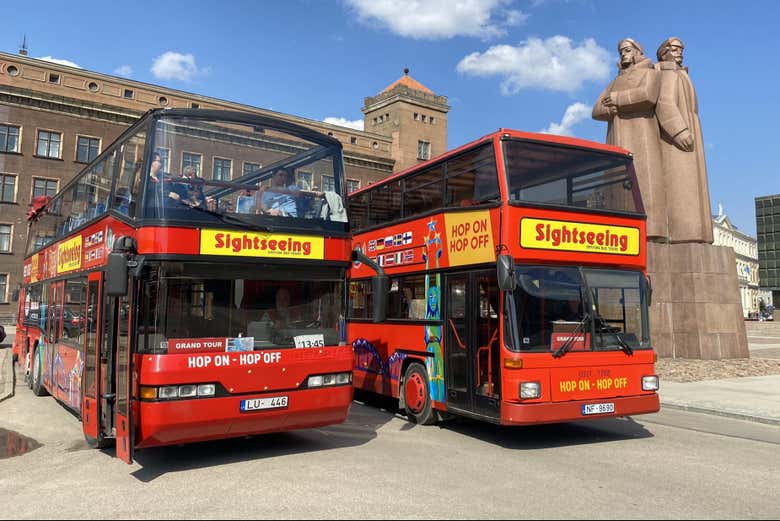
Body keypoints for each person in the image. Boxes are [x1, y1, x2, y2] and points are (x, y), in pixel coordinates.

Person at [592, 38, 667, 240]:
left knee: (646, 183)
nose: (623, 54)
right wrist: (610, 108)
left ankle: (652, 232)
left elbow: (648, 95)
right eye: (620, 51)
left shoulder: (649, 72)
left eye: (626, 50)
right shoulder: (614, 82)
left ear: (637, 51)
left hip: (642, 135)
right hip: (617, 137)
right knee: (618, 187)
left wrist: (617, 100)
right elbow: (596, 109)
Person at [655, 37, 713, 243]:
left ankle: (697, 236)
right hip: (677, 140)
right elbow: (665, 104)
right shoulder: (667, 73)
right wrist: (680, 131)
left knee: (693, 189)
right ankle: (685, 236)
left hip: (690, 128)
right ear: (664, 53)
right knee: (682, 187)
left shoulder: (680, 74)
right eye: (675, 49)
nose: (680, 52)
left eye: (681, 49)